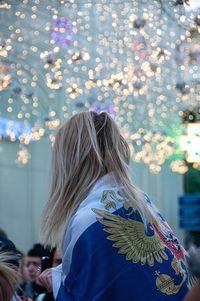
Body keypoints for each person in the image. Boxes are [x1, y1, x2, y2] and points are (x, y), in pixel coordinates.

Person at [38, 111, 193, 300]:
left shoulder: (89, 219)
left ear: (68, 162)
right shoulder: (142, 202)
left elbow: (89, 294)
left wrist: (55, 283)